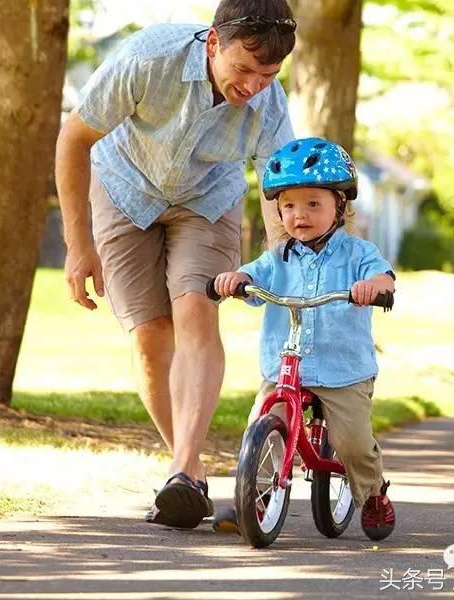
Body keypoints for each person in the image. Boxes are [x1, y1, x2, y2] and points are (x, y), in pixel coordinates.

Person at [54, 0, 297, 529]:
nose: (254, 85)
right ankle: (189, 468)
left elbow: (281, 187)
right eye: (244, 69)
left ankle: (183, 472)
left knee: (194, 309)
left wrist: (287, 259)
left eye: (268, 74)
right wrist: (78, 244)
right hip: (123, 188)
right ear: (214, 42)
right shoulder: (148, 59)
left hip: (207, 200)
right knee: (149, 335)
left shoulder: (269, 103)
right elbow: (74, 138)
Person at [211, 136, 397, 541]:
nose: (300, 214)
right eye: (290, 205)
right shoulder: (276, 258)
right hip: (284, 368)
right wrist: (237, 280)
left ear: (339, 206)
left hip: (342, 369)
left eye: (314, 203)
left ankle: (372, 493)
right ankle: (254, 500)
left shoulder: (357, 253)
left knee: (351, 443)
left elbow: (383, 275)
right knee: (261, 424)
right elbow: (252, 275)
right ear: (278, 210)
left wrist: (375, 286)